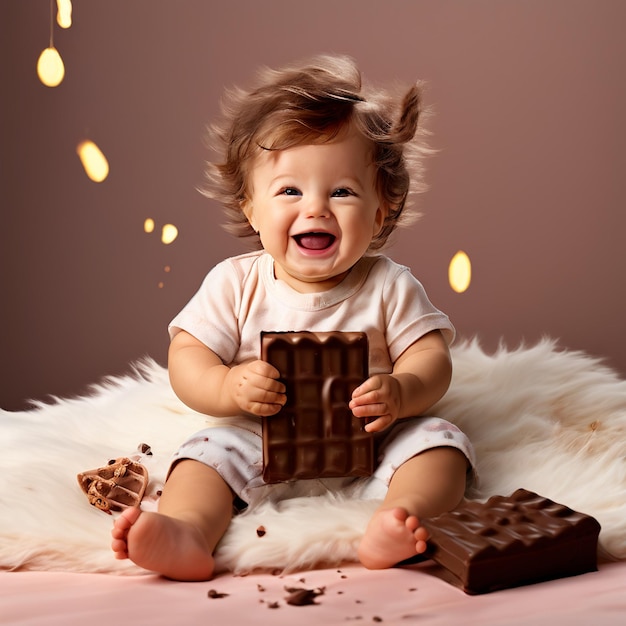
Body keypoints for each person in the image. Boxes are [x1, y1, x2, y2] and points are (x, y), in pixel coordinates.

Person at [111, 54, 475, 581]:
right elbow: (188, 357)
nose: (316, 209)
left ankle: (399, 518)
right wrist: (229, 385)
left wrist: (402, 390)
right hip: (259, 438)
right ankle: (187, 530)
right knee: (200, 456)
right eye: (289, 190)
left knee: (442, 443)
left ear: (379, 212)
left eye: (343, 191)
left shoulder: (391, 285)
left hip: (372, 443)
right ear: (252, 207)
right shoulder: (235, 283)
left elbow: (432, 359)